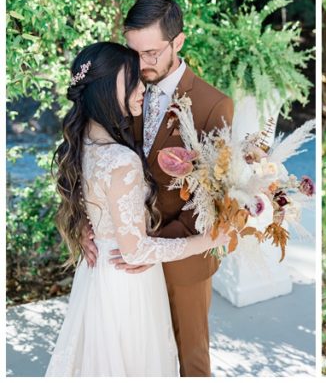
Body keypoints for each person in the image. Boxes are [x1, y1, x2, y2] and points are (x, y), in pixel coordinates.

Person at [46, 42, 227, 376]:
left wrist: (90, 224)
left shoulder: (83, 139)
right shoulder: (122, 159)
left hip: (98, 272)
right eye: (131, 79)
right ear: (105, 87)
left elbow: (93, 195)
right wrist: (212, 239)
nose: (142, 86)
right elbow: (136, 250)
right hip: (128, 283)